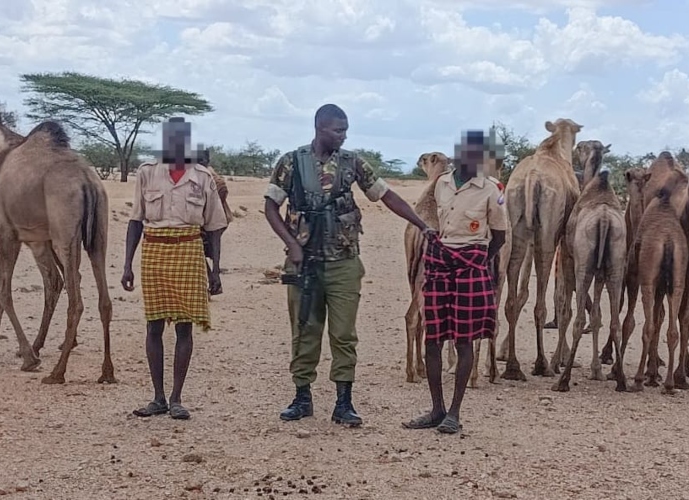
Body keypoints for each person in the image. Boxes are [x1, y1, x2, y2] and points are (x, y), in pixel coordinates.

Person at [264, 103, 434, 427]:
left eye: (345, 130)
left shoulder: (352, 162)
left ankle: (344, 402)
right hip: (304, 263)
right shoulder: (291, 162)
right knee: (304, 330)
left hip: (343, 262)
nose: (343, 136)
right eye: (337, 130)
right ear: (319, 128)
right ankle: (302, 397)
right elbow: (271, 206)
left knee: (343, 334)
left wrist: (421, 223)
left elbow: (385, 195)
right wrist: (291, 244)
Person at [122, 117, 228, 420]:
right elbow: (135, 221)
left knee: (185, 326)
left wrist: (215, 269)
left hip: (190, 250)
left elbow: (215, 227)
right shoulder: (147, 173)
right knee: (153, 325)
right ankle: (157, 398)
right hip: (154, 250)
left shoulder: (203, 176)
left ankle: (176, 398)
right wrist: (127, 264)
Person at [403, 130, 507, 434]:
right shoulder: (441, 186)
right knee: (433, 338)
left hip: (471, 262)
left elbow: (499, 235)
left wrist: (480, 259)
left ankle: (454, 412)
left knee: (464, 340)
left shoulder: (492, 190)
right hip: (440, 260)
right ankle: (436, 408)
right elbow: (430, 215)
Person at [198, 147, 233, 295]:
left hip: (215, 218)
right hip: (207, 219)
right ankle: (212, 277)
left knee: (203, 248)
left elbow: (220, 197)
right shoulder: (199, 176)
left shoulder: (213, 179)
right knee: (201, 249)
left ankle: (213, 276)